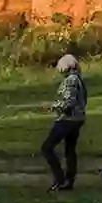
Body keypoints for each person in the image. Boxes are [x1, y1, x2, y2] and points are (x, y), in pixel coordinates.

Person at [42, 53, 87, 191]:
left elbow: (69, 102)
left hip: (68, 119)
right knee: (70, 150)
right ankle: (69, 180)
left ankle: (59, 178)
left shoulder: (70, 80)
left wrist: (52, 106)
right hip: (78, 118)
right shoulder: (78, 78)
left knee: (47, 148)